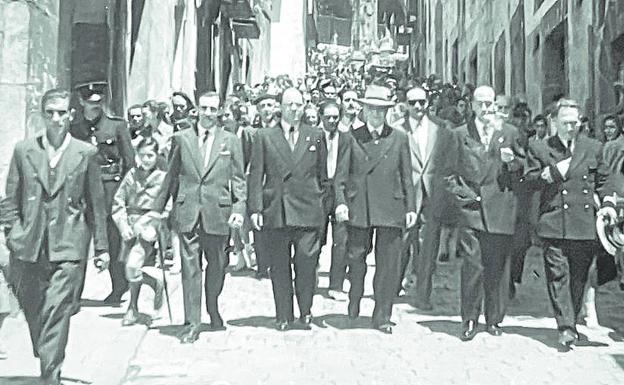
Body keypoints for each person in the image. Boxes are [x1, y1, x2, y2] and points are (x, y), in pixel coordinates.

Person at [4, 88, 110, 385]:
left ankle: (50, 375)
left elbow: (97, 203)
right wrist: (12, 233)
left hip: (69, 245)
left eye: (62, 112)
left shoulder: (85, 153)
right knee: (34, 306)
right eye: (50, 112)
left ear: (71, 115)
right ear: (42, 115)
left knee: (57, 308)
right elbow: (10, 198)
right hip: (29, 245)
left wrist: (101, 247)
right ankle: (46, 350)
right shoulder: (24, 150)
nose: (56, 118)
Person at [153, 91, 246, 343]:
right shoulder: (181, 139)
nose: (208, 113)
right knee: (190, 269)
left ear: (219, 111)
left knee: (217, 266)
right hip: (188, 211)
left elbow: (238, 179)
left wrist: (239, 210)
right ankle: (192, 322)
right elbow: (171, 175)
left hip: (218, 212)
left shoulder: (230, 141)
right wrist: (157, 209)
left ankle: (212, 307)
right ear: (197, 110)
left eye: (213, 109)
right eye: (204, 108)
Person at [523, 99, 617, 348]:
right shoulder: (540, 148)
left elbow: (604, 180)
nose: (570, 128)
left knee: (578, 278)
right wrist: (549, 174)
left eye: (574, 123)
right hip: (555, 223)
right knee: (558, 275)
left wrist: (608, 202)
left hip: (584, 225)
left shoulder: (593, 147)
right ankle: (565, 326)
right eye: (565, 123)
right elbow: (529, 179)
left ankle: (571, 320)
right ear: (554, 123)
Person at [334, 85, 417, 334]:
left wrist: (410, 207)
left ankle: (382, 314)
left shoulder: (399, 137)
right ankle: (355, 298)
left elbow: (406, 175)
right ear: (364, 110)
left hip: (390, 208)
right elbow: (340, 176)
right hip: (360, 206)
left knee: (388, 265)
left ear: (387, 112)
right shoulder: (351, 136)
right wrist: (340, 202)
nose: (376, 115)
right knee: (356, 259)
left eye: (381, 110)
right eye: (372, 109)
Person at [450, 85, 527, 341]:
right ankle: (469, 318)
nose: (485, 108)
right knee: (473, 265)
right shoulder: (460, 134)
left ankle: (494, 319)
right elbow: (448, 172)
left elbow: (524, 167)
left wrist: (512, 162)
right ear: (471, 105)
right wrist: (461, 195)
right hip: (472, 209)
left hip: (501, 207)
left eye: (489, 103)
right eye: (480, 103)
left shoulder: (510, 133)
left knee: (498, 267)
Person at [248, 87, 328, 331]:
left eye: (299, 104)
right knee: (280, 265)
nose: (294, 109)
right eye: (290, 104)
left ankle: (305, 310)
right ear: (280, 107)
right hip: (277, 210)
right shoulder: (264, 136)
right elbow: (256, 174)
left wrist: (323, 207)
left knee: (306, 261)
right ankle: (283, 314)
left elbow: (323, 175)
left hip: (308, 210)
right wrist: (255, 209)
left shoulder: (315, 135)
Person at [393, 86, 462, 310]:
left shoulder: (440, 130)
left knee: (428, 248)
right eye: (413, 103)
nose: (418, 107)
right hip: (405, 196)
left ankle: (423, 295)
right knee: (401, 243)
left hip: (432, 196)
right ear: (405, 105)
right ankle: (393, 287)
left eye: (422, 102)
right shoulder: (397, 130)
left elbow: (449, 163)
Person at [70, 81, 135, 305]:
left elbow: (130, 164)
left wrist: (126, 196)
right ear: (81, 102)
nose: (95, 107)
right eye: (90, 103)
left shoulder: (117, 127)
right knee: (78, 243)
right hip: (82, 193)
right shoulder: (75, 129)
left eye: (98, 103)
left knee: (113, 240)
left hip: (110, 190)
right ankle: (73, 296)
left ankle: (119, 288)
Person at [112, 138, 169, 326]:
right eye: (142, 155)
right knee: (129, 268)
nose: (146, 159)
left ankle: (132, 308)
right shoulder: (131, 175)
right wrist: (123, 226)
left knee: (132, 266)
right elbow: (118, 203)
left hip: (149, 229)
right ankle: (153, 285)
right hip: (130, 227)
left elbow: (166, 206)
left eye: (150, 155)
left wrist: (148, 223)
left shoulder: (162, 178)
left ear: (157, 156)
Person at [318, 100, 349, 301]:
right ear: (321, 117)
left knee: (341, 241)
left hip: (340, 193)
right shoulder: (314, 137)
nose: (332, 121)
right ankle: (309, 275)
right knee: (315, 239)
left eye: (335, 117)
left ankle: (336, 284)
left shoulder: (347, 139)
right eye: (328, 117)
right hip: (319, 193)